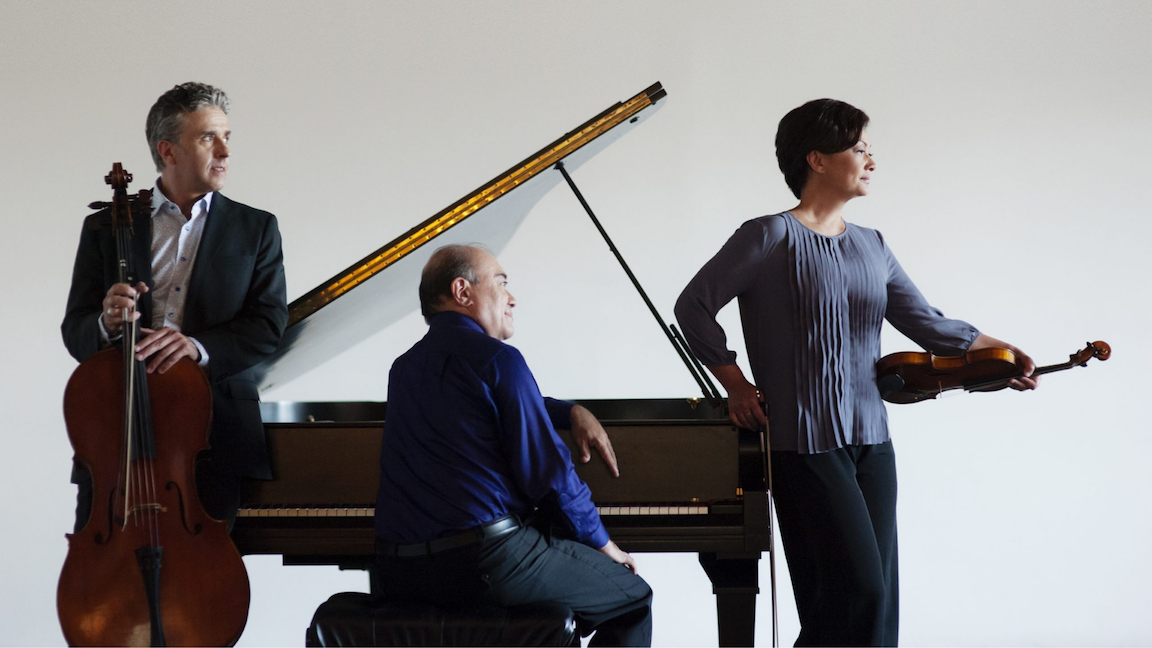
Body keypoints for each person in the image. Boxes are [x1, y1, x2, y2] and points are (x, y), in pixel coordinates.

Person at [674, 99, 1038, 647]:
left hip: (873, 440)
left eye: (870, 149)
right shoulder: (767, 235)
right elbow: (693, 306)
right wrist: (736, 384)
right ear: (816, 159)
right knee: (856, 594)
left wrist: (997, 355)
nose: (871, 160)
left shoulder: (872, 244)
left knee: (873, 600)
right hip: (803, 444)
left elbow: (926, 323)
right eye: (859, 149)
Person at [374, 244, 652, 647]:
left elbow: (481, 403)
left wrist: (569, 410)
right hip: (485, 563)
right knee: (631, 599)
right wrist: (603, 544)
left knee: (559, 600)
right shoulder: (499, 360)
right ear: (462, 291)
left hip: (402, 570)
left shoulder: (404, 368)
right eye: (501, 283)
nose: (512, 297)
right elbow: (551, 475)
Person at [61, 82, 288, 529]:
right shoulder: (107, 227)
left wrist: (196, 348)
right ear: (168, 150)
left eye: (227, 136)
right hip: (120, 429)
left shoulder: (256, 228)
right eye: (208, 137)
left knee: (207, 579)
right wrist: (106, 324)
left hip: (212, 429)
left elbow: (268, 323)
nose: (224, 150)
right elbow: (75, 328)